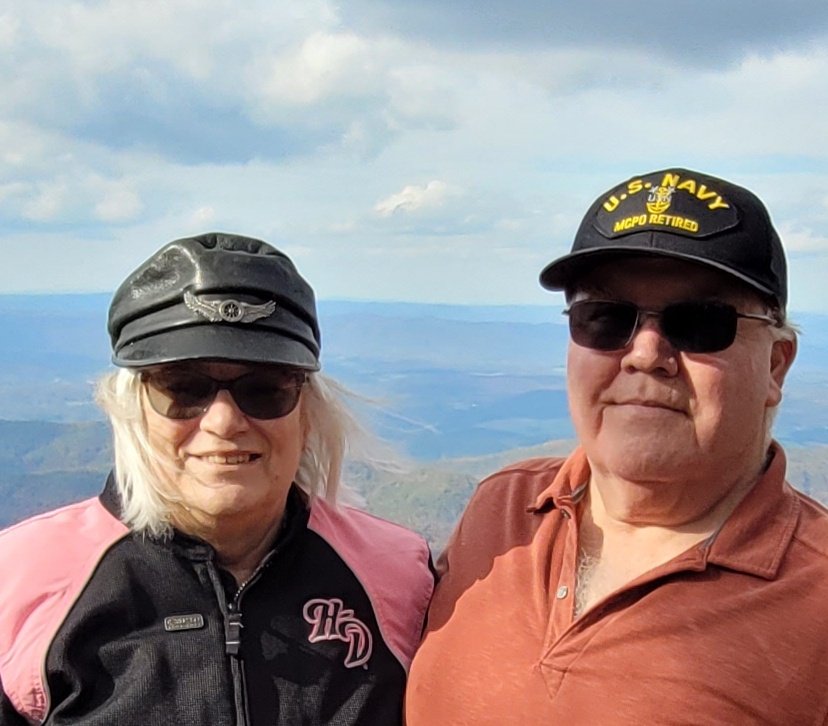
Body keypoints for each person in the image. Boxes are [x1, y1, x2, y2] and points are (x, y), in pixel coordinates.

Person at [405, 168, 828, 724]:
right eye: (605, 318)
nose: (646, 354)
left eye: (699, 323)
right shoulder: (502, 509)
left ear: (776, 365)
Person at [0, 233, 433, 726]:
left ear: (307, 415)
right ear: (132, 409)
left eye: (265, 388)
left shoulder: (400, 577)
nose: (224, 422)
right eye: (183, 388)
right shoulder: (19, 583)